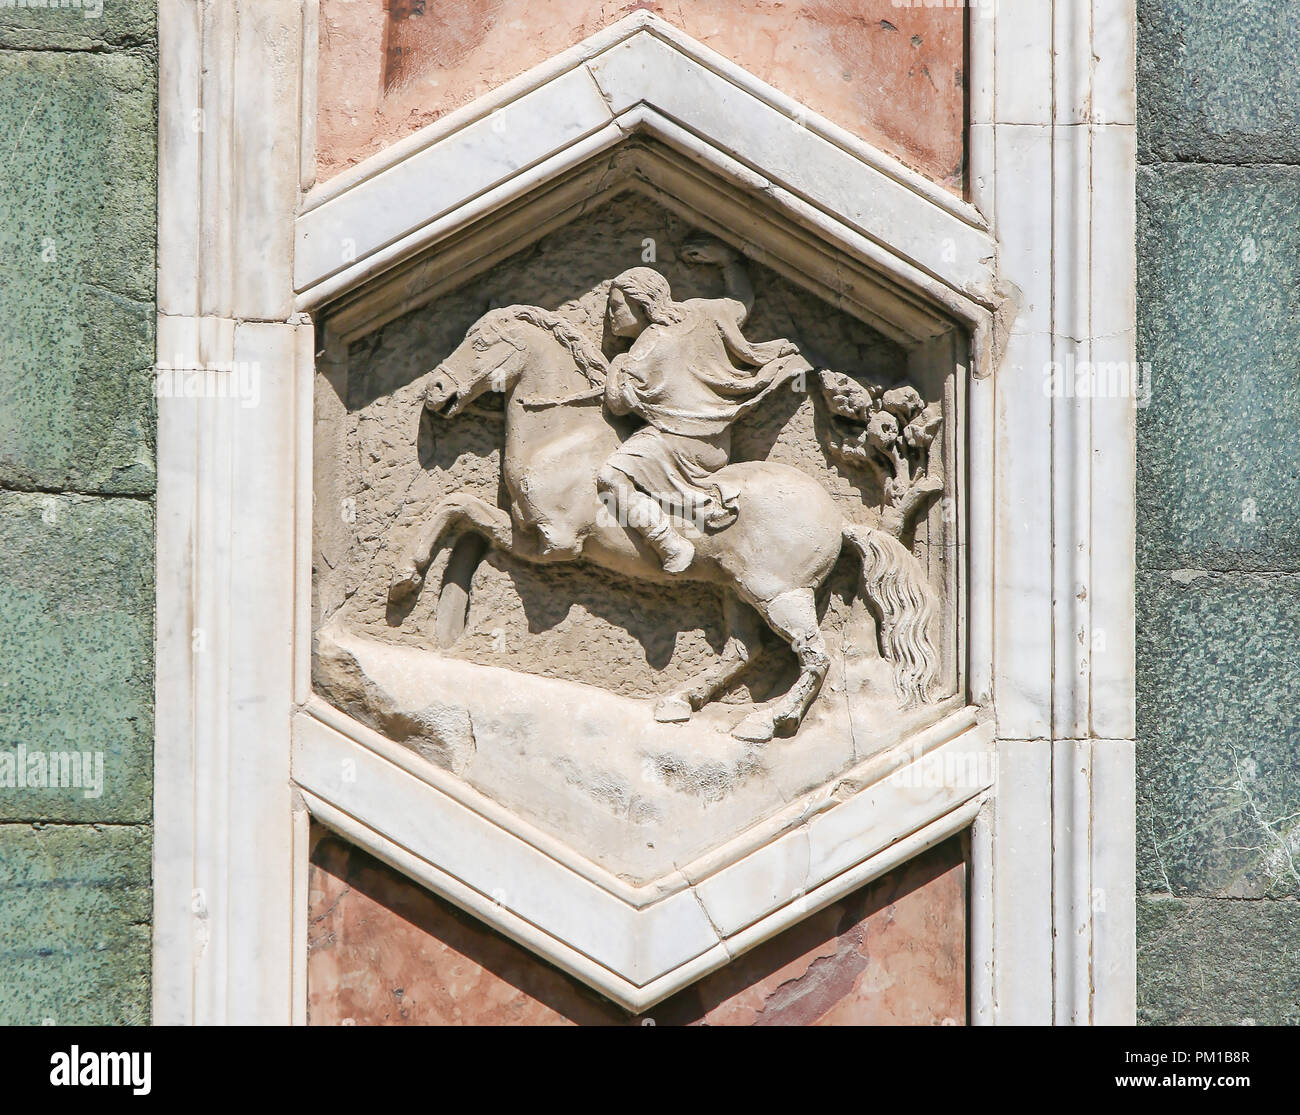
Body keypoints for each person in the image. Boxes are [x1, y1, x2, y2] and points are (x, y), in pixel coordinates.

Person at [596, 263, 808, 573]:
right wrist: (727, 260)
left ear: (641, 305)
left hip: (679, 445)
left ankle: (669, 543)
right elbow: (740, 301)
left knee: (611, 476)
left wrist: (616, 364)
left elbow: (617, 405)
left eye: (615, 307)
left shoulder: (646, 347)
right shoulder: (699, 312)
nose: (610, 316)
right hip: (716, 444)